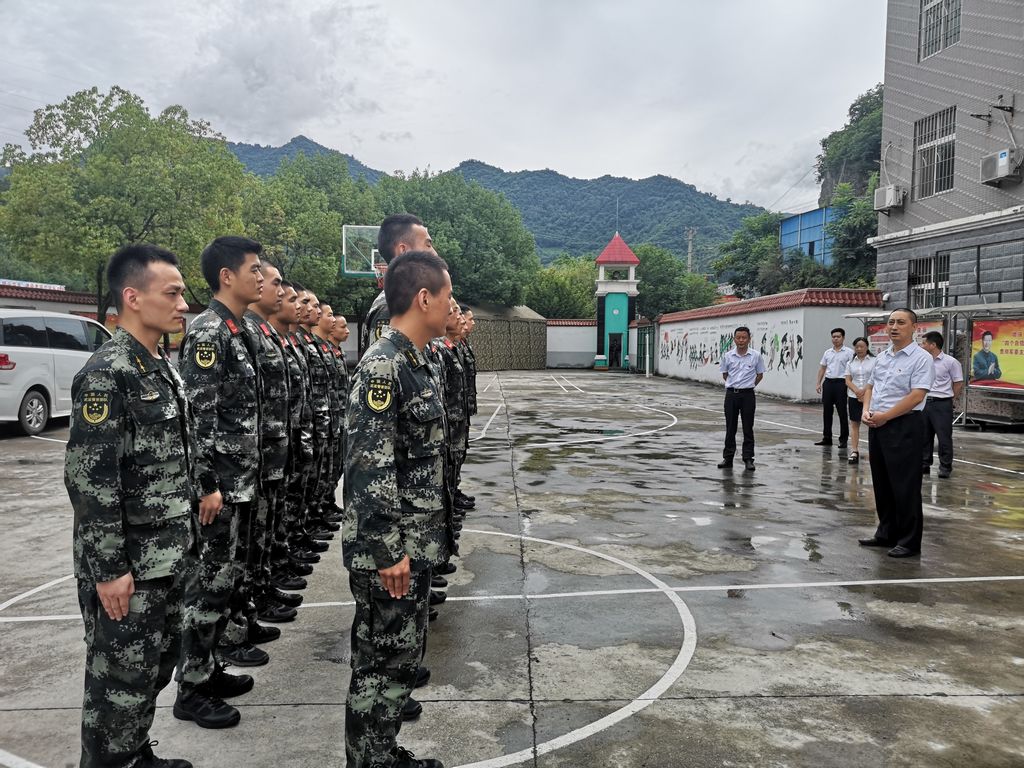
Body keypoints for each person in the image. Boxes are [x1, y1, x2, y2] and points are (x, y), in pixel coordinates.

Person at [65, 244, 195, 768]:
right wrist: (110, 568)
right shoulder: (108, 372)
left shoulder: (161, 365)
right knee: (117, 680)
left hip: (165, 558)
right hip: (130, 567)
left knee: (152, 668)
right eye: (173, 292)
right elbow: (89, 480)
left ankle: (135, 753)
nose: (184, 303)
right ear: (133, 298)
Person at [343, 250, 453, 768]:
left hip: (415, 542)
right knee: (381, 662)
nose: (451, 306)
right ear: (424, 297)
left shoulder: (416, 358)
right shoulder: (384, 366)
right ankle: (369, 760)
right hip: (390, 551)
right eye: (447, 295)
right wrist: (388, 551)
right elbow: (369, 468)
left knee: (399, 657)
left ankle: (379, 752)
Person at [175, 236, 265, 729]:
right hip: (219, 489)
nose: (259, 275)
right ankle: (190, 689)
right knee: (207, 586)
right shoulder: (209, 333)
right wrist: (206, 484)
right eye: (253, 268)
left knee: (224, 580)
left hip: (241, 482)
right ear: (226, 276)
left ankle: (207, 669)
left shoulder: (239, 328)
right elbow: (198, 419)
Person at [243, 260, 302, 626]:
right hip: (246, 467)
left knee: (263, 531)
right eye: (271, 281)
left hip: (270, 454)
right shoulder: (230, 334)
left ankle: (260, 591)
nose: (279, 291)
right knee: (241, 549)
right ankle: (239, 621)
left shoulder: (261, 334)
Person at [859, 308, 935, 558]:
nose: (893, 327)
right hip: (877, 424)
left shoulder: (920, 358)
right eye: (891, 322)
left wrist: (886, 416)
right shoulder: (882, 357)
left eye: (901, 323)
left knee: (905, 484)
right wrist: (867, 411)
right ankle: (886, 532)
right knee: (882, 482)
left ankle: (909, 540)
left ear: (914, 327)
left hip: (904, 425)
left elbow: (917, 396)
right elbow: (870, 386)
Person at [359, 214, 437, 358]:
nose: (434, 253)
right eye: (427, 245)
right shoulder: (389, 309)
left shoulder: (407, 302)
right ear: (404, 250)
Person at [717, 326, 765, 472]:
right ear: (734, 339)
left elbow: (760, 375)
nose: (741, 340)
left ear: (749, 339)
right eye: (738, 338)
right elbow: (725, 374)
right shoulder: (728, 356)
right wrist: (735, 386)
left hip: (748, 395)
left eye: (744, 338)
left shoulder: (756, 356)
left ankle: (748, 459)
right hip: (731, 395)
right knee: (730, 427)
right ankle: (728, 458)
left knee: (747, 427)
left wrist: (749, 386)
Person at [921, 330, 964, 478]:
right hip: (924, 402)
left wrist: (950, 399)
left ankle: (945, 467)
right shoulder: (922, 360)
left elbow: (958, 382)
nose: (922, 345)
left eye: (924, 343)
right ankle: (924, 464)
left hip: (942, 403)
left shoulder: (950, 362)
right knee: (924, 436)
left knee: (944, 437)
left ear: (933, 345)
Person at [814, 328, 854, 449]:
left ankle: (843, 439)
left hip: (841, 383)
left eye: (838, 337)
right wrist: (818, 383)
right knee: (827, 411)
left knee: (842, 412)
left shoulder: (849, 352)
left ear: (843, 338)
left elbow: (852, 369)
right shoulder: (828, 352)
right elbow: (822, 368)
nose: (835, 339)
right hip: (829, 382)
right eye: (833, 337)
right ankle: (827, 438)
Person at [843, 336, 875, 465]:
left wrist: (865, 391)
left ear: (867, 347)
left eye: (862, 346)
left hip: (871, 396)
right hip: (854, 396)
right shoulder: (850, 363)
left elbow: (876, 378)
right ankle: (854, 451)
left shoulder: (875, 361)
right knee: (854, 424)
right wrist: (857, 391)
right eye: (857, 347)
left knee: (872, 423)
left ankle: (874, 451)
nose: (859, 349)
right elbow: (847, 380)